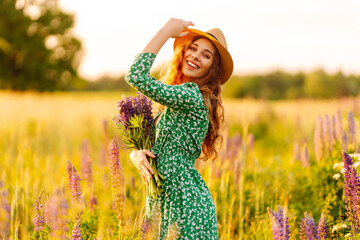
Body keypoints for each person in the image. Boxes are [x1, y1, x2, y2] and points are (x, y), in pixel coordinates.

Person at [125, 18, 233, 240]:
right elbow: (152, 146)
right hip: (164, 199)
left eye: (206, 55)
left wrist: (165, 31)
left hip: (186, 206)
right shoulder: (178, 99)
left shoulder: (192, 96)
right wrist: (134, 155)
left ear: (213, 69)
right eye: (193, 48)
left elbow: (135, 76)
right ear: (183, 52)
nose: (195, 55)